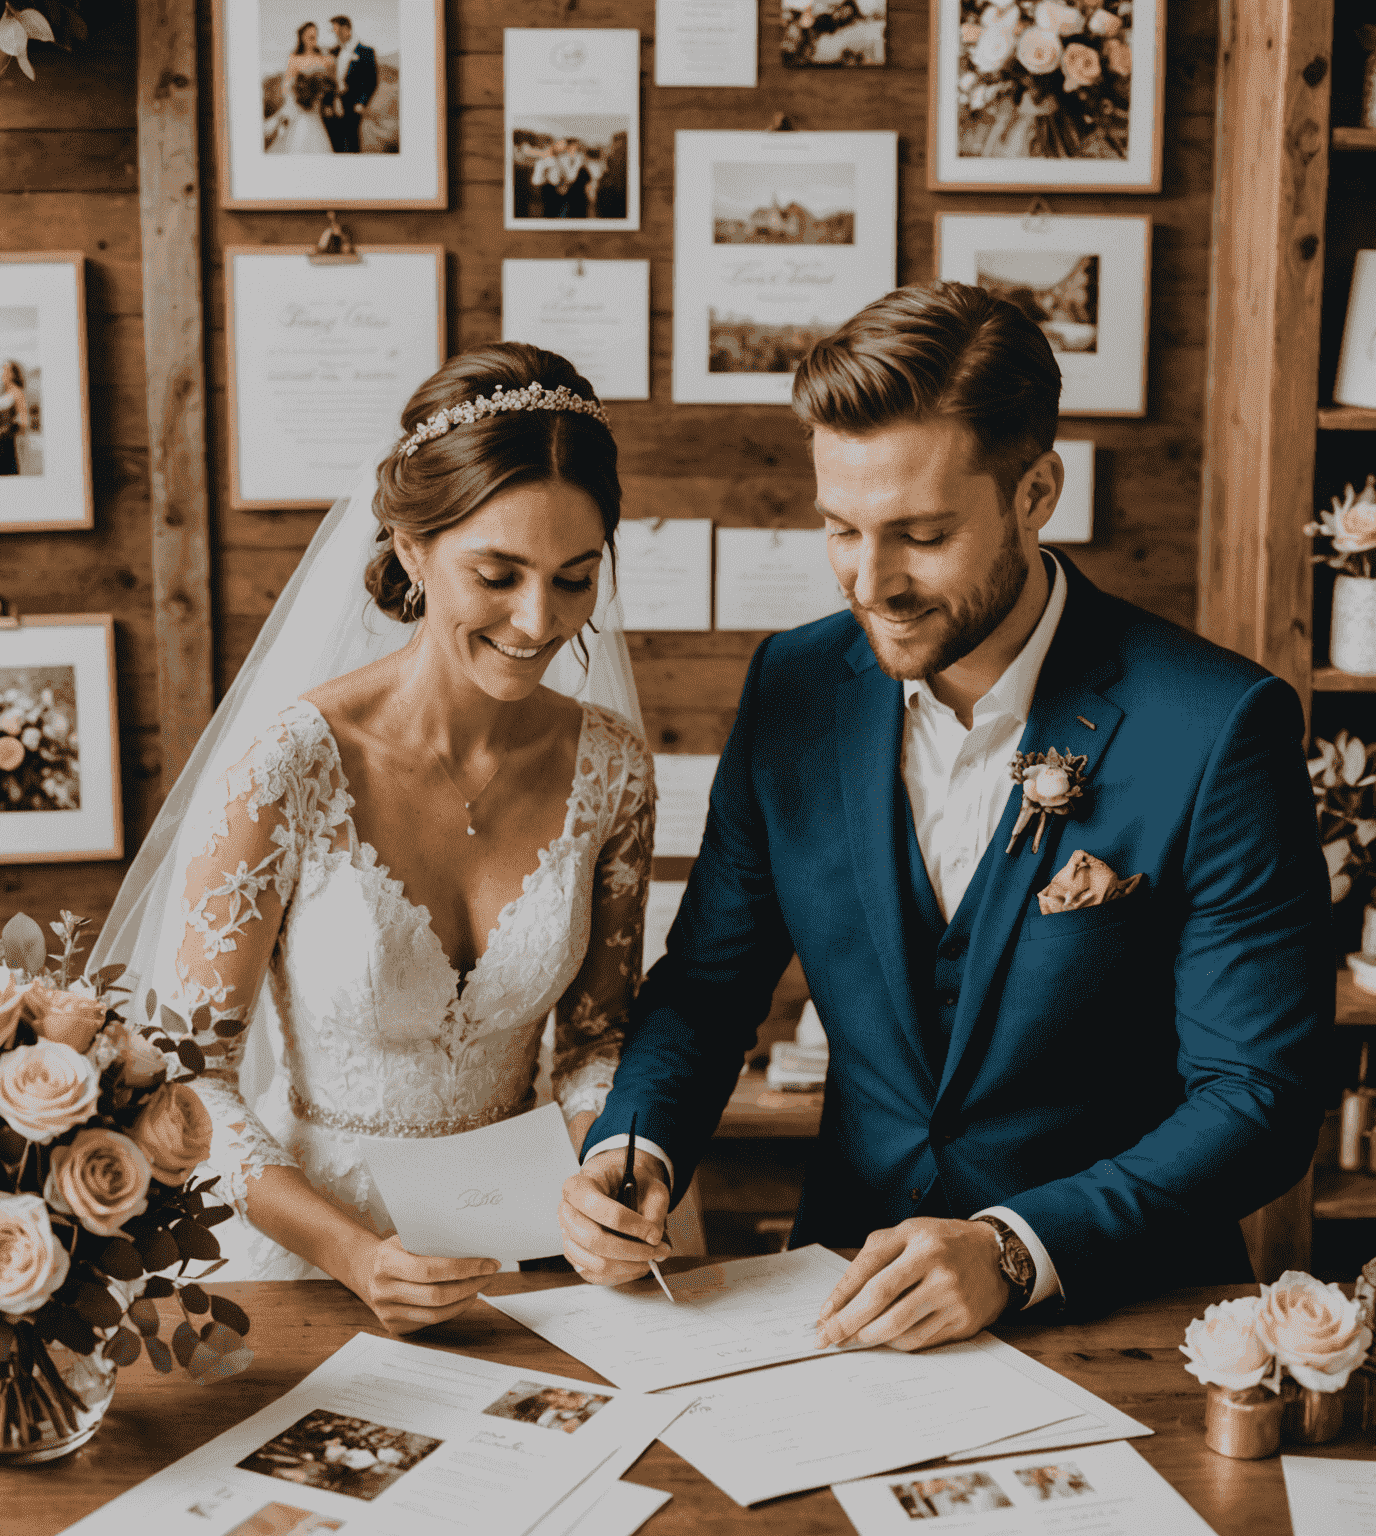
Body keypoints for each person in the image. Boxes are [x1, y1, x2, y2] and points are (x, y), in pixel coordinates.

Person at [561, 280, 1331, 1339]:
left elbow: (1258, 1095)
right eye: (841, 529)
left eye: (920, 535)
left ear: (1036, 491)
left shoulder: (1219, 723)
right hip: (841, 1300)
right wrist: (632, 1145)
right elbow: (704, 985)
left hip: (1120, 1312)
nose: (872, 582)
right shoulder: (791, 689)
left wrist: (1017, 1248)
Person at [91, 344, 658, 1335]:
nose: (538, 622)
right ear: (408, 547)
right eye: (497, 574)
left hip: (526, 1257)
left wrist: (599, 1162)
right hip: (311, 1263)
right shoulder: (290, 766)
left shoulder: (611, 768)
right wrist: (354, 1254)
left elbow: (597, 1040)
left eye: (575, 579)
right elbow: (186, 1076)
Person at [265, 23, 335, 155]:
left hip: (316, 110)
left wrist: (319, 97)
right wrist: (297, 101)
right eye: (309, 34)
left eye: (315, 34)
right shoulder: (294, 58)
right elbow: (287, 86)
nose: (313, 37)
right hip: (300, 111)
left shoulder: (323, 58)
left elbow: (329, 83)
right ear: (302, 37)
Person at [326, 13, 378, 153]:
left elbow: (371, 81)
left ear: (346, 29)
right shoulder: (332, 52)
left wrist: (362, 102)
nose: (334, 33)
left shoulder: (366, 52)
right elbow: (327, 80)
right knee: (334, 145)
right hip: (332, 106)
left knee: (351, 144)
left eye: (335, 29)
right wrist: (327, 103)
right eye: (333, 29)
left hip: (353, 106)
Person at [0, 359, 31, 476]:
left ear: (13, 374)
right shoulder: (4, 393)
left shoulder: (17, 393)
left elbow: (24, 421)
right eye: (2, 370)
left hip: (10, 447)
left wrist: (7, 428)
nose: (2, 373)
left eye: (5, 370)